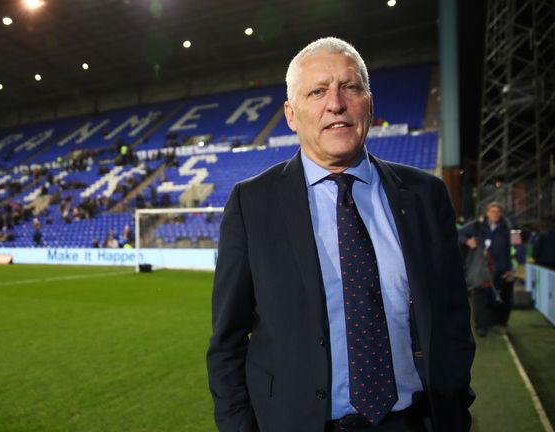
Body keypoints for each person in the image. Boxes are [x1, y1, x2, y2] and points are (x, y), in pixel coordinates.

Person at [206, 37, 475, 432]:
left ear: (369, 102)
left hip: (414, 421)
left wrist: (455, 406)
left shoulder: (424, 195)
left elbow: (453, 317)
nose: (335, 103)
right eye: (317, 91)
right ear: (291, 114)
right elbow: (227, 341)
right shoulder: (252, 203)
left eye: (350, 87)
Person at [458, 203, 515, 335]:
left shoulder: (506, 227)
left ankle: (496, 323)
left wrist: (509, 268)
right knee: (480, 296)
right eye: (492, 211)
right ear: (487, 213)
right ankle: (481, 327)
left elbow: (509, 249)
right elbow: (458, 234)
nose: (495, 214)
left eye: (498, 212)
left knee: (497, 296)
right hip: (481, 268)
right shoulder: (477, 226)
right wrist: (467, 241)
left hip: (500, 267)